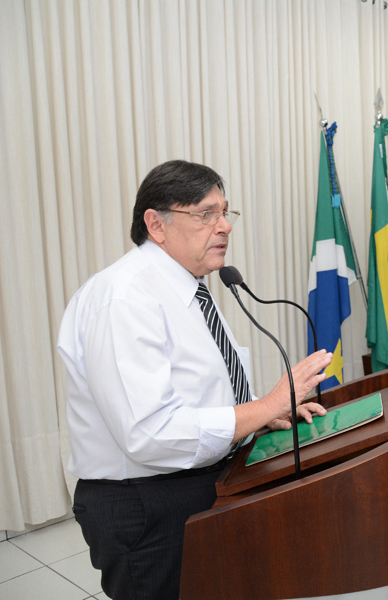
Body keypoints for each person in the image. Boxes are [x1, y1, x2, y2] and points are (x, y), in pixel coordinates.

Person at [57, 160, 333, 600]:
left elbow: (197, 392)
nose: (224, 226)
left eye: (225, 212)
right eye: (206, 214)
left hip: (201, 482)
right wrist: (267, 405)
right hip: (146, 506)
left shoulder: (193, 287)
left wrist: (257, 419)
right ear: (156, 224)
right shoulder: (124, 298)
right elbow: (150, 432)